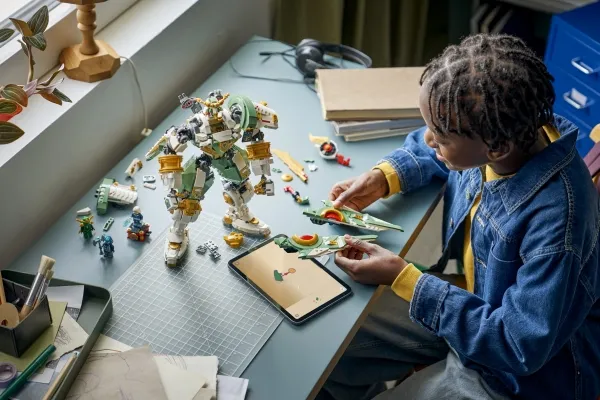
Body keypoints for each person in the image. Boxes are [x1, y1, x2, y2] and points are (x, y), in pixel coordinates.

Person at [317, 34, 600, 400]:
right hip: (474, 298)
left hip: (513, 374)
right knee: (335, 344)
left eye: (440, 136)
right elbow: (439, 145)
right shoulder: (506, 132)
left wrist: (407, 280)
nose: (428, 140)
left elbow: (518, 344)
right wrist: (385, 177)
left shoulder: (557, 224)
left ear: (496, 148)